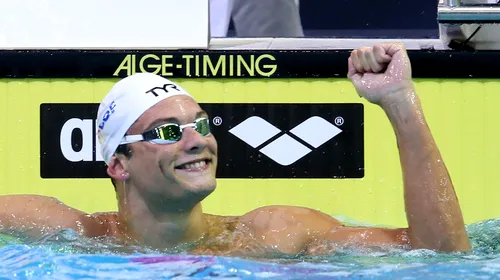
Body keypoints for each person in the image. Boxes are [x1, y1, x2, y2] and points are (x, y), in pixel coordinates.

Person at [0, 43, 471, 256]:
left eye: (202, 124)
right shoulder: (67, 233)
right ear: (119, 164)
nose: (198, 139)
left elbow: (442, 255)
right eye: (168, 132)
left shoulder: (268, 237)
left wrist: (399, 104)